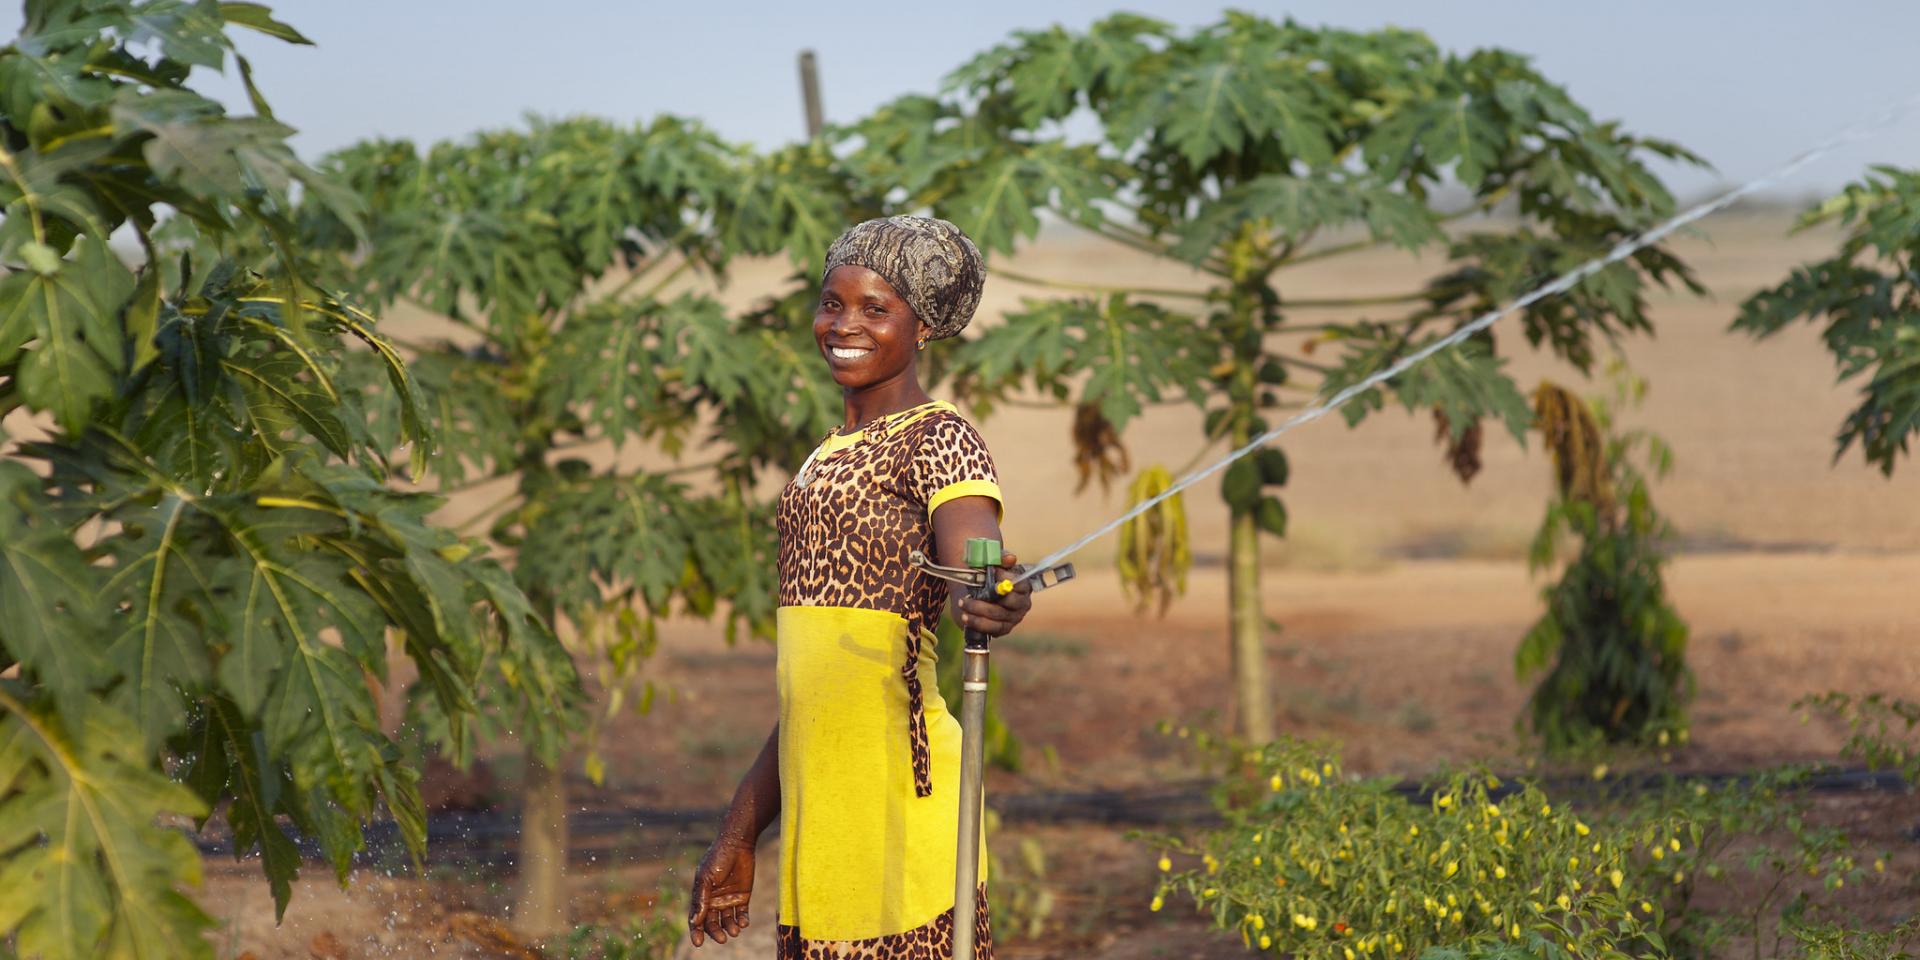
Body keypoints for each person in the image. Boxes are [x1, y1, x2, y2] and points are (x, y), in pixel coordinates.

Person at [686, 216, 1032, 958]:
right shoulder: (827, 453)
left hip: (897, 803)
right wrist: (739, 832)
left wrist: (990, 592)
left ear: (925, 324)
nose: (844, 325)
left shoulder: (939, 437)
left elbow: (975, 550)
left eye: (876, 309)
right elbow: (815, 692)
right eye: (832, 303)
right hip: (824, 813)